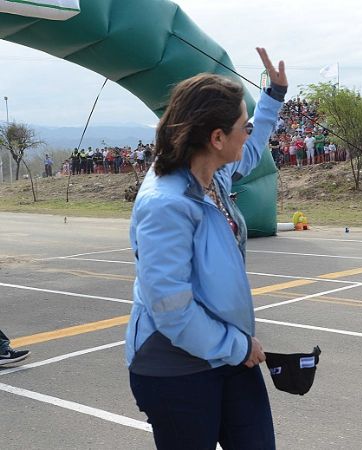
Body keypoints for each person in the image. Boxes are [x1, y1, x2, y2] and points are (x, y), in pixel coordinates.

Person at [124, 47, 287, 449]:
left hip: (228, 351)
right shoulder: (166, 204)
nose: (247, 133)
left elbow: (251, 150)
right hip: (176, 367)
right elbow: (172, 309)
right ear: (216, 138)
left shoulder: (211, 171)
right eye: (241, 126)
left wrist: (273, 97)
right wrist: (239, 345)